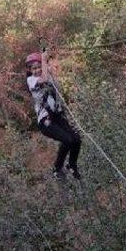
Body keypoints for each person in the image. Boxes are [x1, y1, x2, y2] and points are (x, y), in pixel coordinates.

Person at [26, 50, 81, 179]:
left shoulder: (47, 76)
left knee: (76, 139)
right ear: (30, 70)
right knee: (67, 140)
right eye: (34, 68)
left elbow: (50, 79)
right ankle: (57, 169)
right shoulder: (31, 80)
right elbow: (43, 79)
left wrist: (47, 58)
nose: (37, 70)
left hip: (57, 116)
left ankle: (72, 165)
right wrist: (43, 60)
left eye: (39, 67)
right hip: (46, 120)